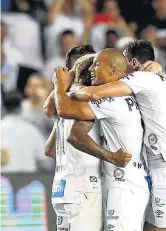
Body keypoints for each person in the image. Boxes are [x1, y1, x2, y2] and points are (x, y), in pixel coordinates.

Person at [69, 40, 166, 231]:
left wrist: (75, 81)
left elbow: (91, 94)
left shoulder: (140, 79)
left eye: (124, 63)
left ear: (134, 63)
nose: (120, 69)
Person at [51, 48, 149, 231]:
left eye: (97, 64)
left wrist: (63, 83)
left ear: (113, 71)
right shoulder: (119, 95)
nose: (91, 69)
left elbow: (63, 111)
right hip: (116, 183)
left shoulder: (113, 100)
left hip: (124, 184)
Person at [43, 45, 103, 231]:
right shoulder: (87, 98)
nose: (95, 70)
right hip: (84, 185)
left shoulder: (62, 102)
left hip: (62, 187)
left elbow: (50, 150)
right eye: (92, 65)